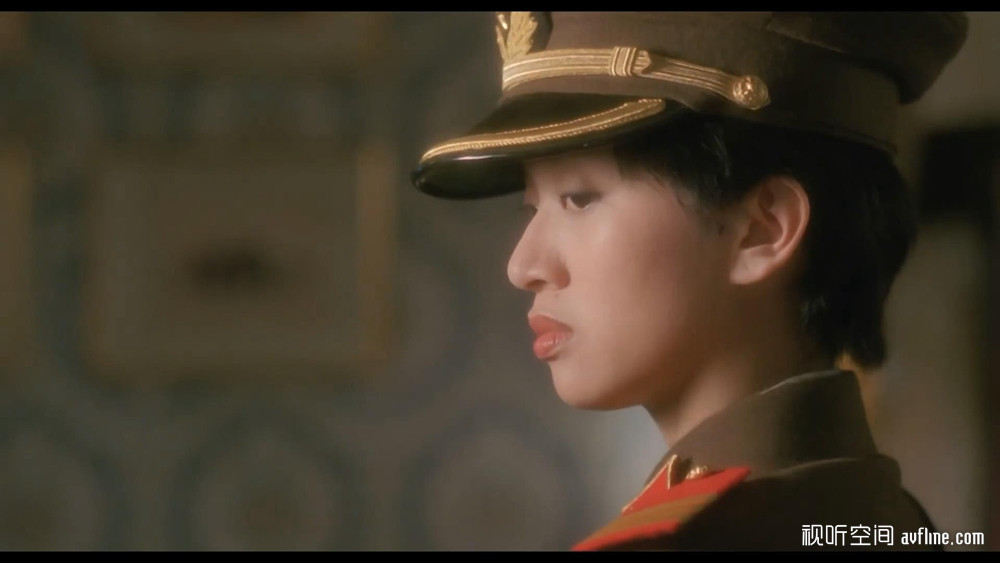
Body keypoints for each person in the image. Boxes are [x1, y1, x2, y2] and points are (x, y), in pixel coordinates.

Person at [411, 12, 967, 550]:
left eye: (579, 198)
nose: (523, 266)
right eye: (531, 208)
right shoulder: (894, 523)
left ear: (763, 229)